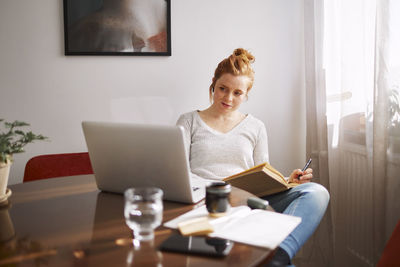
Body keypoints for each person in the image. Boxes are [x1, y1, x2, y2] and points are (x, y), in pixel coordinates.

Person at [176, 48, 330, 267]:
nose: (228, 98)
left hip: (248, 200)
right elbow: (179, 175)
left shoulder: (256, 126)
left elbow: (261, 175)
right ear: (213, 84)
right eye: (223, 89)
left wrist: (287, 181)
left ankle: (277, 255)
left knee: (317, 192)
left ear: (246, 94)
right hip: (208, 201)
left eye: (237, 93)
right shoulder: (189, 121)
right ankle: (276, 261)